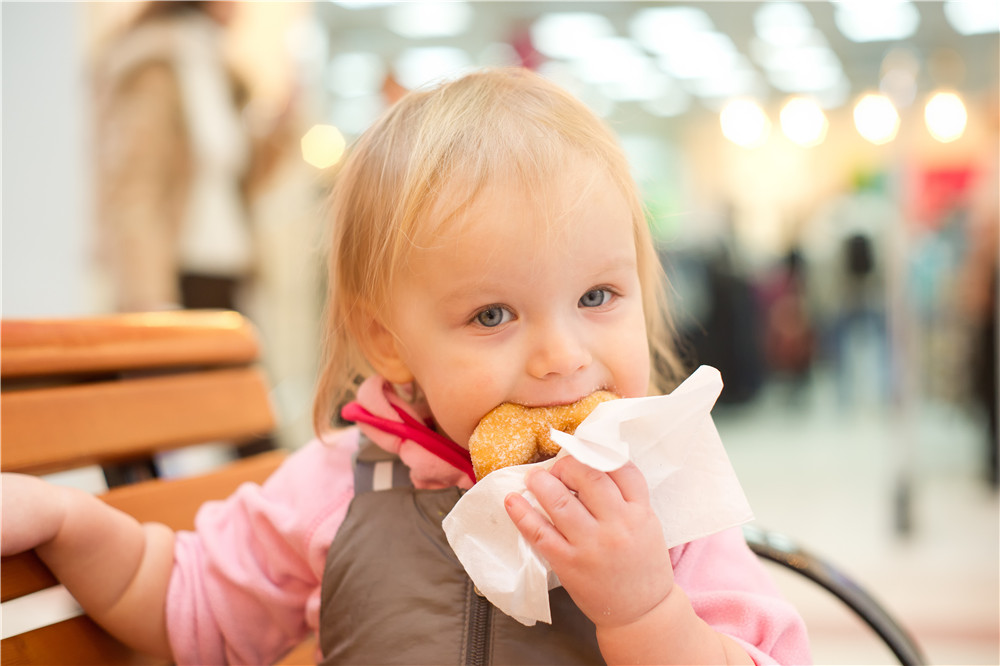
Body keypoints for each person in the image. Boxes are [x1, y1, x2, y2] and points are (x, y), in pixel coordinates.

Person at [2, 69, 810, 665]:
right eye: (493, 315)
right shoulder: (338, 486)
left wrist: (646, 610)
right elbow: (189, 605)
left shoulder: (663, 500)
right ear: (387, 339)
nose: (563, 357)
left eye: (597, 296)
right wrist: (68, 521)